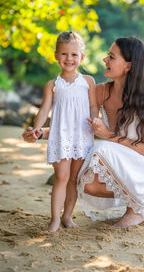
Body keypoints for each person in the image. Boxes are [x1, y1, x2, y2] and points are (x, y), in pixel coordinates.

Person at [23, 36, 144, 228]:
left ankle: (137, 207)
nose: (105, 60)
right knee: (84, 181)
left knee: (101, 149)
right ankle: (133, 203)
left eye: (111, 57)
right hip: (122, 158)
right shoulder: (101, 91)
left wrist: (106, 135)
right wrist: (39, 134)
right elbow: (72, 125)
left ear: (128, 66)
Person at [28, 31, 98, 232]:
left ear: (82, 57)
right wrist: (37, 128)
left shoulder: (88, 81)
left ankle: (67, 216)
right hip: (61, 137)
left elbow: (93, 106)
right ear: (56, 56)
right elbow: (44, 110)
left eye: (74, 54)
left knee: (75, 179)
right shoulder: (52, 85)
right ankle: (54, 219)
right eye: (65, 54)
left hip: (83, 135)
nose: (69, 59)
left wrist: (95, 119)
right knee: (61, 176)